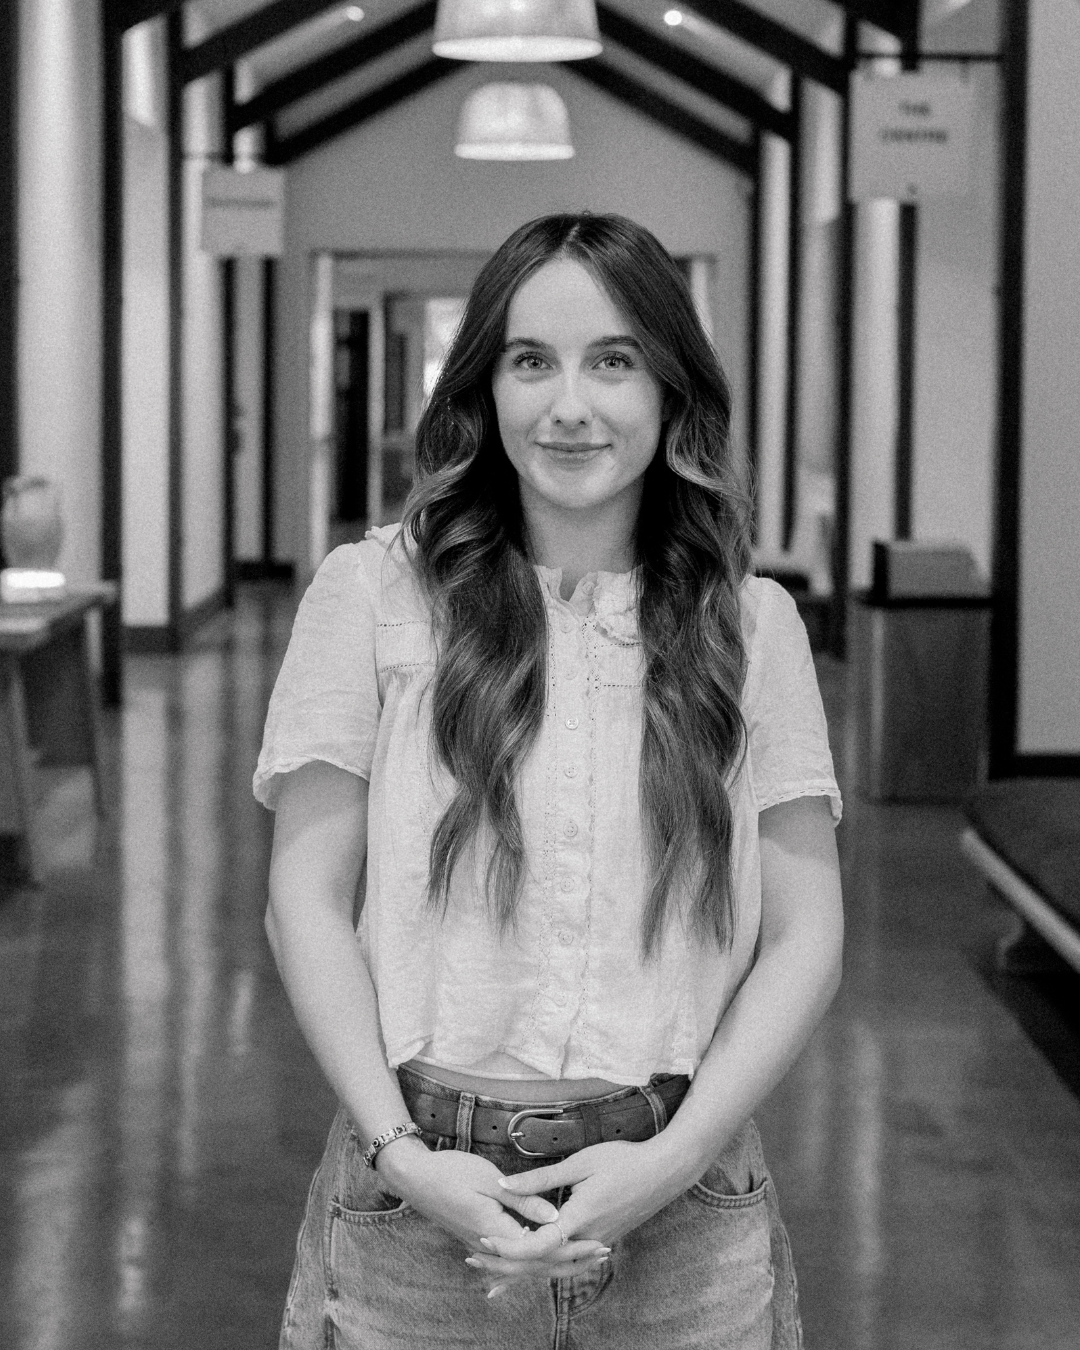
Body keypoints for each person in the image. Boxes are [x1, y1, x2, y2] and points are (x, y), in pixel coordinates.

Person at [254, 212, 843, 1350]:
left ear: (673, 391)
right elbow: (304, 902)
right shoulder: (375, 591)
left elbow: (807, 933)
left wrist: (665, 1165)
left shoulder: (752, 625)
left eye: (613, 361)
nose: (570, 405)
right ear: (486, 387)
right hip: (419, 1204)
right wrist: (404, 1155)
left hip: (684, 1202)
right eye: (532, 361)